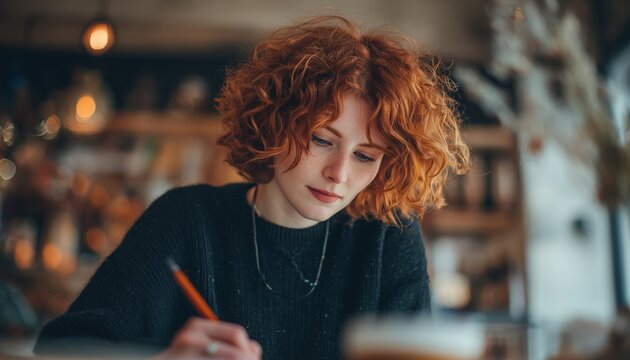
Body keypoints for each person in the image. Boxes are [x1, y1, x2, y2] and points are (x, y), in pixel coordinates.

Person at [34, 15, 469, 360]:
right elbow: (57, 352)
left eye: (364, 156)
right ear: (275, 122)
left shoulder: (386, 237)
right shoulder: (186, 221)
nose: (339, 173)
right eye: (321, 139)